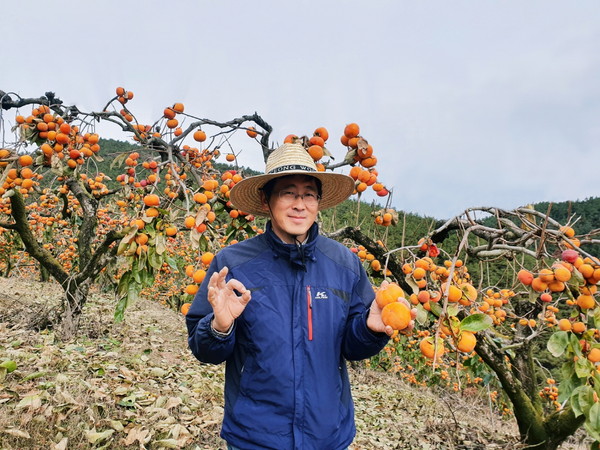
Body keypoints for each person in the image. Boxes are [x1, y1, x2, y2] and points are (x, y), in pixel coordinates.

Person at [186, 143, 395, 450]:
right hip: (255, 437)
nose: (300, 204)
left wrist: (369, 329)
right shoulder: (234, 263)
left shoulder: (344, 264)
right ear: (266, 200)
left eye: (308, 194)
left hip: (327, 436)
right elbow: (205, 351)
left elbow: (351, 348)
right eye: (288, 192)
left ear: (318, 202)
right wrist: (220, 327)